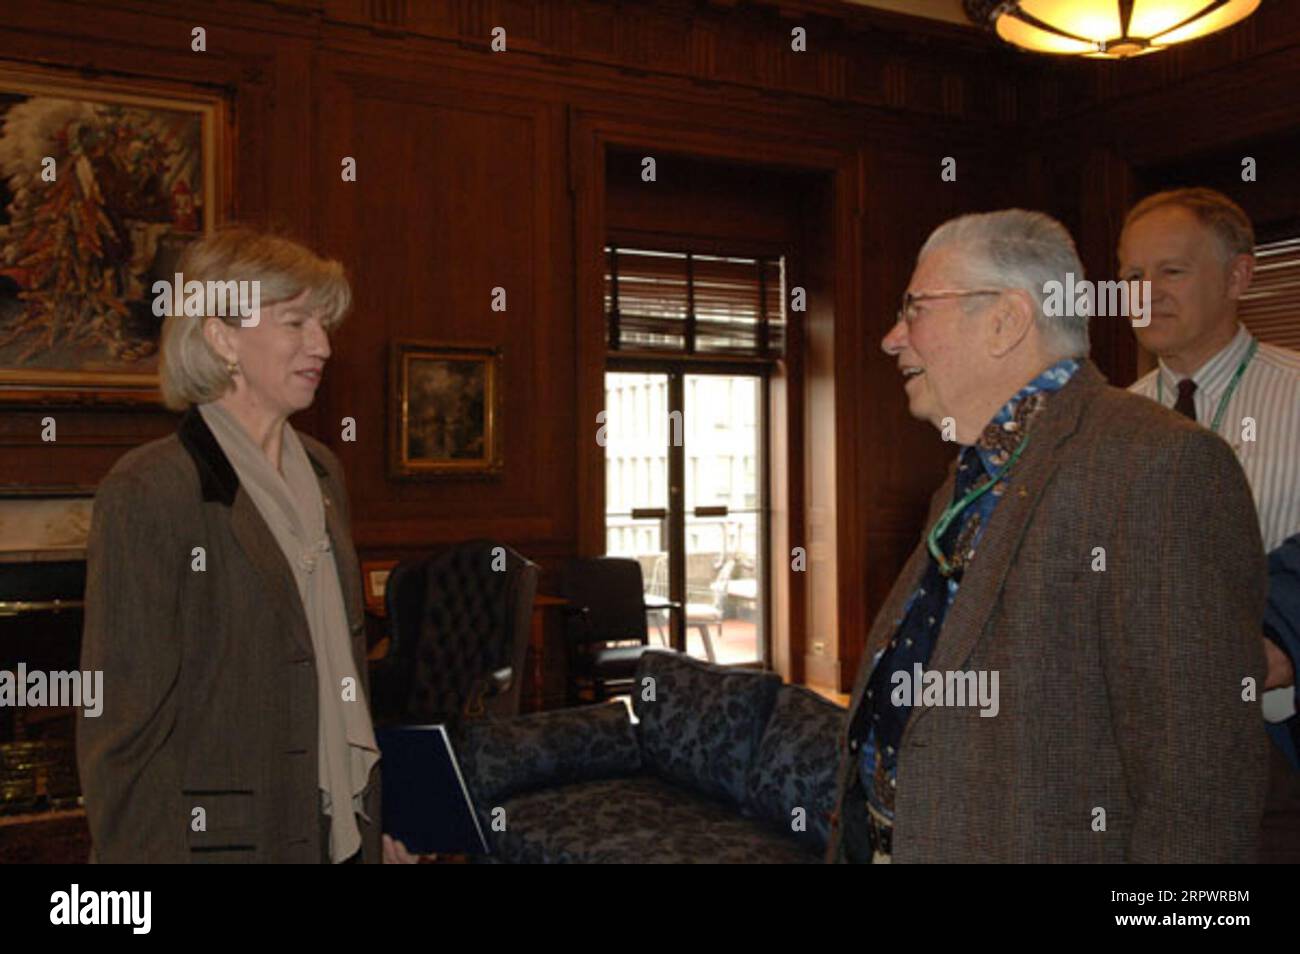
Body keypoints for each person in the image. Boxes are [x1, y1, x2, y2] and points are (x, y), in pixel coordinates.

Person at [826, 209, 1268, 863]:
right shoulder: (969, 474)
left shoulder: (1160, 466)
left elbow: (1198, 787)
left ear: (1004, 320)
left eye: (915, 309)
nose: (892, 339)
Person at [77, 227, 417, 863]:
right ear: (221, 336)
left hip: (327, 822)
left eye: (324, 324)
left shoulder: (321, 473)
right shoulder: (150, 489)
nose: (322, 345)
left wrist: (369, 832)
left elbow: (337, 672)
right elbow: (122, 732)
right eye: (296, 323)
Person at [1119, 187, 1300, 861]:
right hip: (1138, 762)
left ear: (1239, 275)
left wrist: (1279, 641)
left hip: (1274, 757)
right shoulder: (1105, 423)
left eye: (1171, 271)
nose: (1146, 293)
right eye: (1132, 275)